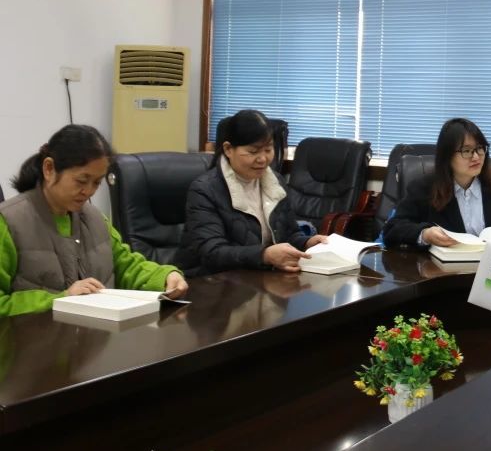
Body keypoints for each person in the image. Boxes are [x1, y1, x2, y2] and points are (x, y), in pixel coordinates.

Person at [0, 125, 187, 317]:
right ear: (49, 169)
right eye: (81, 181)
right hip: (34, 334)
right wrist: (61, 299)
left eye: (97, 182)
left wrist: (164, 276)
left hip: (95, 333)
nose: (89, 191)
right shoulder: (9, 222)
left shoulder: (94, 218)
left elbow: (125, 265)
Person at [176, 109, 325, 276]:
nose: (262, 159)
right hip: (210, 281)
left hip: (259, 278)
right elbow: (212, 252)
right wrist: (264, 255)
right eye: (253, 152)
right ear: (228, 149)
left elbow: (288, 234)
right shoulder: (205, 189)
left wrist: (307, 243)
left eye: (268, 150)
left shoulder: (275, 182)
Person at [382, 118, 491, 250]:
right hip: (440, 273)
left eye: (480, 148)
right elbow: (393, 229)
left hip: (490, 271)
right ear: (447, 156)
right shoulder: (424, 188)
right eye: (467, 151)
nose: (476, 157)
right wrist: (425, 234)